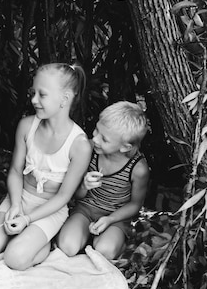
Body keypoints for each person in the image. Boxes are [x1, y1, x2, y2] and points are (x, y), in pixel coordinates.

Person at [0, 63, 92, 270]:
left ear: (64, 99)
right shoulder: (27, 126)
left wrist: (28, 219)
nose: (33, 100)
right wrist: (15, 206)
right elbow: (15, 171)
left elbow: (64, 197)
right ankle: (28, 238)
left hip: (48, 209)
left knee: (15, 259)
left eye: (42, 95)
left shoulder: (79, 144)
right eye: (33, 93)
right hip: (19, 198)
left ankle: (42, 242)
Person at [56, 101, 150, 260]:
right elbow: (76, 195)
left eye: (104, 139)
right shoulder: (89, 150)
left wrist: (110, 219)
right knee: (67, 246)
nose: (95, 139)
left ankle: (112, 240)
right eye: (96, 130)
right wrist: (84, 186)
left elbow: (135, 205)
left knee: (104, 251)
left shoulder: (137, 168)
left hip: (116, 217)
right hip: (85, 210)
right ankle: (84, 238)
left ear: (125, 147)